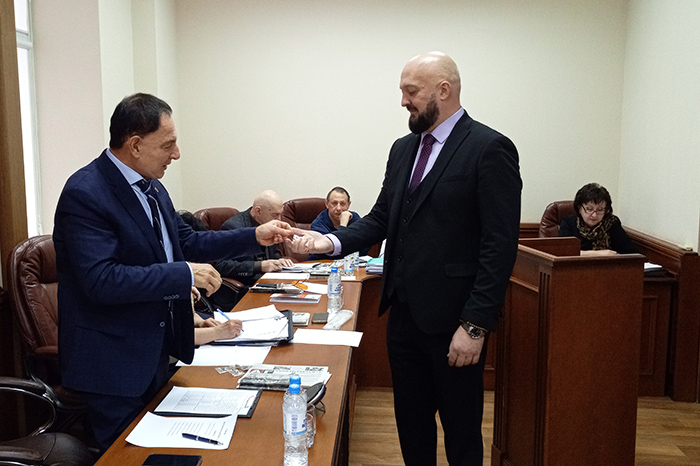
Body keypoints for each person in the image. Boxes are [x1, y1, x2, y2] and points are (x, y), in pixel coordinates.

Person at [290, 52, 521, 466]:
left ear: (443, 90)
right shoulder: (403, 149)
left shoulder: (489, 148)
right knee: (412, 429)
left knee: (461, 435)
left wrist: (475, 325)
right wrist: (327, 243)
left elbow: (499, 245)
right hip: (403, 321)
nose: (403, 101)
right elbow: (381, 218)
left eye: (411, 91)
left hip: (455, 324)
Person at [53, 93, 296, 452]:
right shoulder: (86, 193)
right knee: (128, 456)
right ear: (136, 145)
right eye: (168, 145)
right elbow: (101, 281)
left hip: (154, 351)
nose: (177, 154)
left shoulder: (152, 187)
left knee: (164, 452)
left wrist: (254, 235)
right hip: (112, 363)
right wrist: (183, 276)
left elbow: (189, 242)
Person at [215, 190, 294, 286]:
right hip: (248, 284)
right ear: (258, 211)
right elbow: (222, 266)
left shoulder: (269, 224)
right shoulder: (233, 227)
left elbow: (272, 254)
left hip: (271, 280)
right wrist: (259, 266)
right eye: (275, 215)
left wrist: (279, 262)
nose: (279, 220)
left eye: (280, 214)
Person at [558, 182, 638, 255]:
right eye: (589, 209)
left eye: (600, 210)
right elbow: (563, 252)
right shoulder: (569, 222)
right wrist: (597, 254)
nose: (594, 215)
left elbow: (631, 253)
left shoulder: (612, 223)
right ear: (579, 208)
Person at [308, 186, 368, 260]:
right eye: (334, 203)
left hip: (350, 265)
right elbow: (331, 252)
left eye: (342, 204)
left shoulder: (354, 218)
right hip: (319, 264)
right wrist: (343, 225)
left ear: (348, 205)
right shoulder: (318, 224)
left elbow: (364, 246)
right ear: (327, 204)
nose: (338, 208)